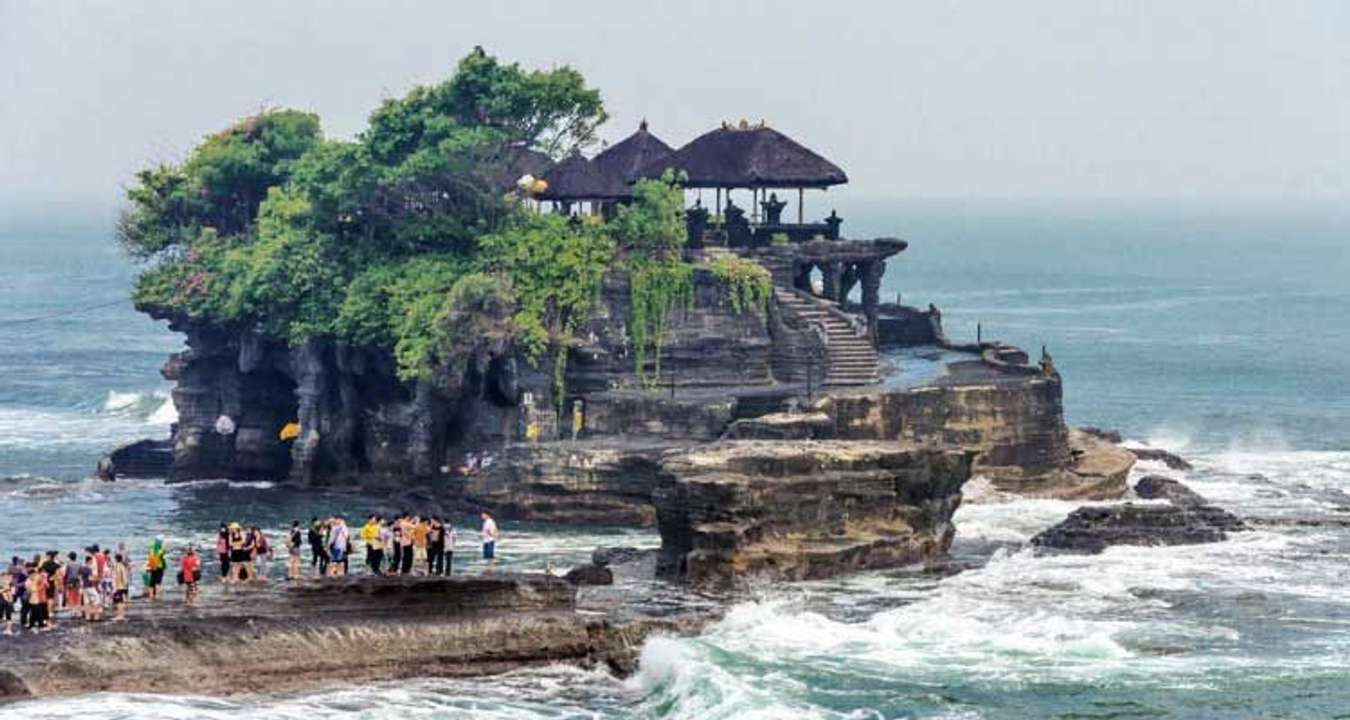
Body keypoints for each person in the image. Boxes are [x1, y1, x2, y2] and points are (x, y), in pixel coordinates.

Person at [80, 553, 101, 621]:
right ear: (89, 561)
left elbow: (80, 577)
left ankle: (88, 617)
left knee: (87, 602)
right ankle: (96, 617)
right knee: (97, 601)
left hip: (84, 587)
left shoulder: (82, 568)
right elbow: (90, 578)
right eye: (91, 561)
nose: (92, 563)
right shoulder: (89, 569)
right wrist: (97, 579)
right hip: (90, 587)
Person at [145, 536, 167, 601]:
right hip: (159, 567)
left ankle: (151, 596)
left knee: (152, 582)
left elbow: (149, 553)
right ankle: (157, 596)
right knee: (158, 582)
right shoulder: (161, 548)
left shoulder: (151, 547)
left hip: (152, 567)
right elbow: (163, 553)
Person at [112, 553, 129, 622]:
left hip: (119, 586)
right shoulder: (121, 566)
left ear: (116, 559)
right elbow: (125, 577)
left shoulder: (118, 566)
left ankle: (120, 616)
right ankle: (120, 615)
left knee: (119, 602)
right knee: (119, 602)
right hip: (121, 586)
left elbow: (123, 577)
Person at [0, 570, 15, 635]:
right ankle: (8, 630)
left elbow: (13, 592)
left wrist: (5, 589)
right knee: (8, 616)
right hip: (7, 600)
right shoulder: (10, 584)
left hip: (6, 601)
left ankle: (9, 630)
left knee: (8, 616)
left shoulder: (10, 584)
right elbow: (13, 592)